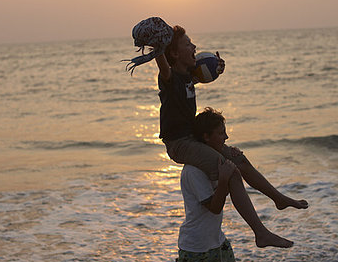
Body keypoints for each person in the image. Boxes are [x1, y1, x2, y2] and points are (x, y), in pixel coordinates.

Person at [129, 17, 308, 250]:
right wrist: (159, 48)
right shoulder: (169, 77)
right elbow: (163, 64)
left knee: (240, 160)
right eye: (188, 44)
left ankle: (278, 199)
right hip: (179, 144)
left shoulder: (187, 77)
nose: (194, 47)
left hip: (192, 139)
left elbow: (201, 74)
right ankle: (261, 233)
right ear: (174, 54)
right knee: (231, 172)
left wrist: (216, 68)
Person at [140, 108, 288, 262]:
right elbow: (214, 206)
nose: (226, 137)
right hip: (195, 246)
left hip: (216, 243)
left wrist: (231, 170)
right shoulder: (193, 171)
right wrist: (224, 179)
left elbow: (227, 187)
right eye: (221, 133)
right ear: (206, 137)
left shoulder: (213, 162)